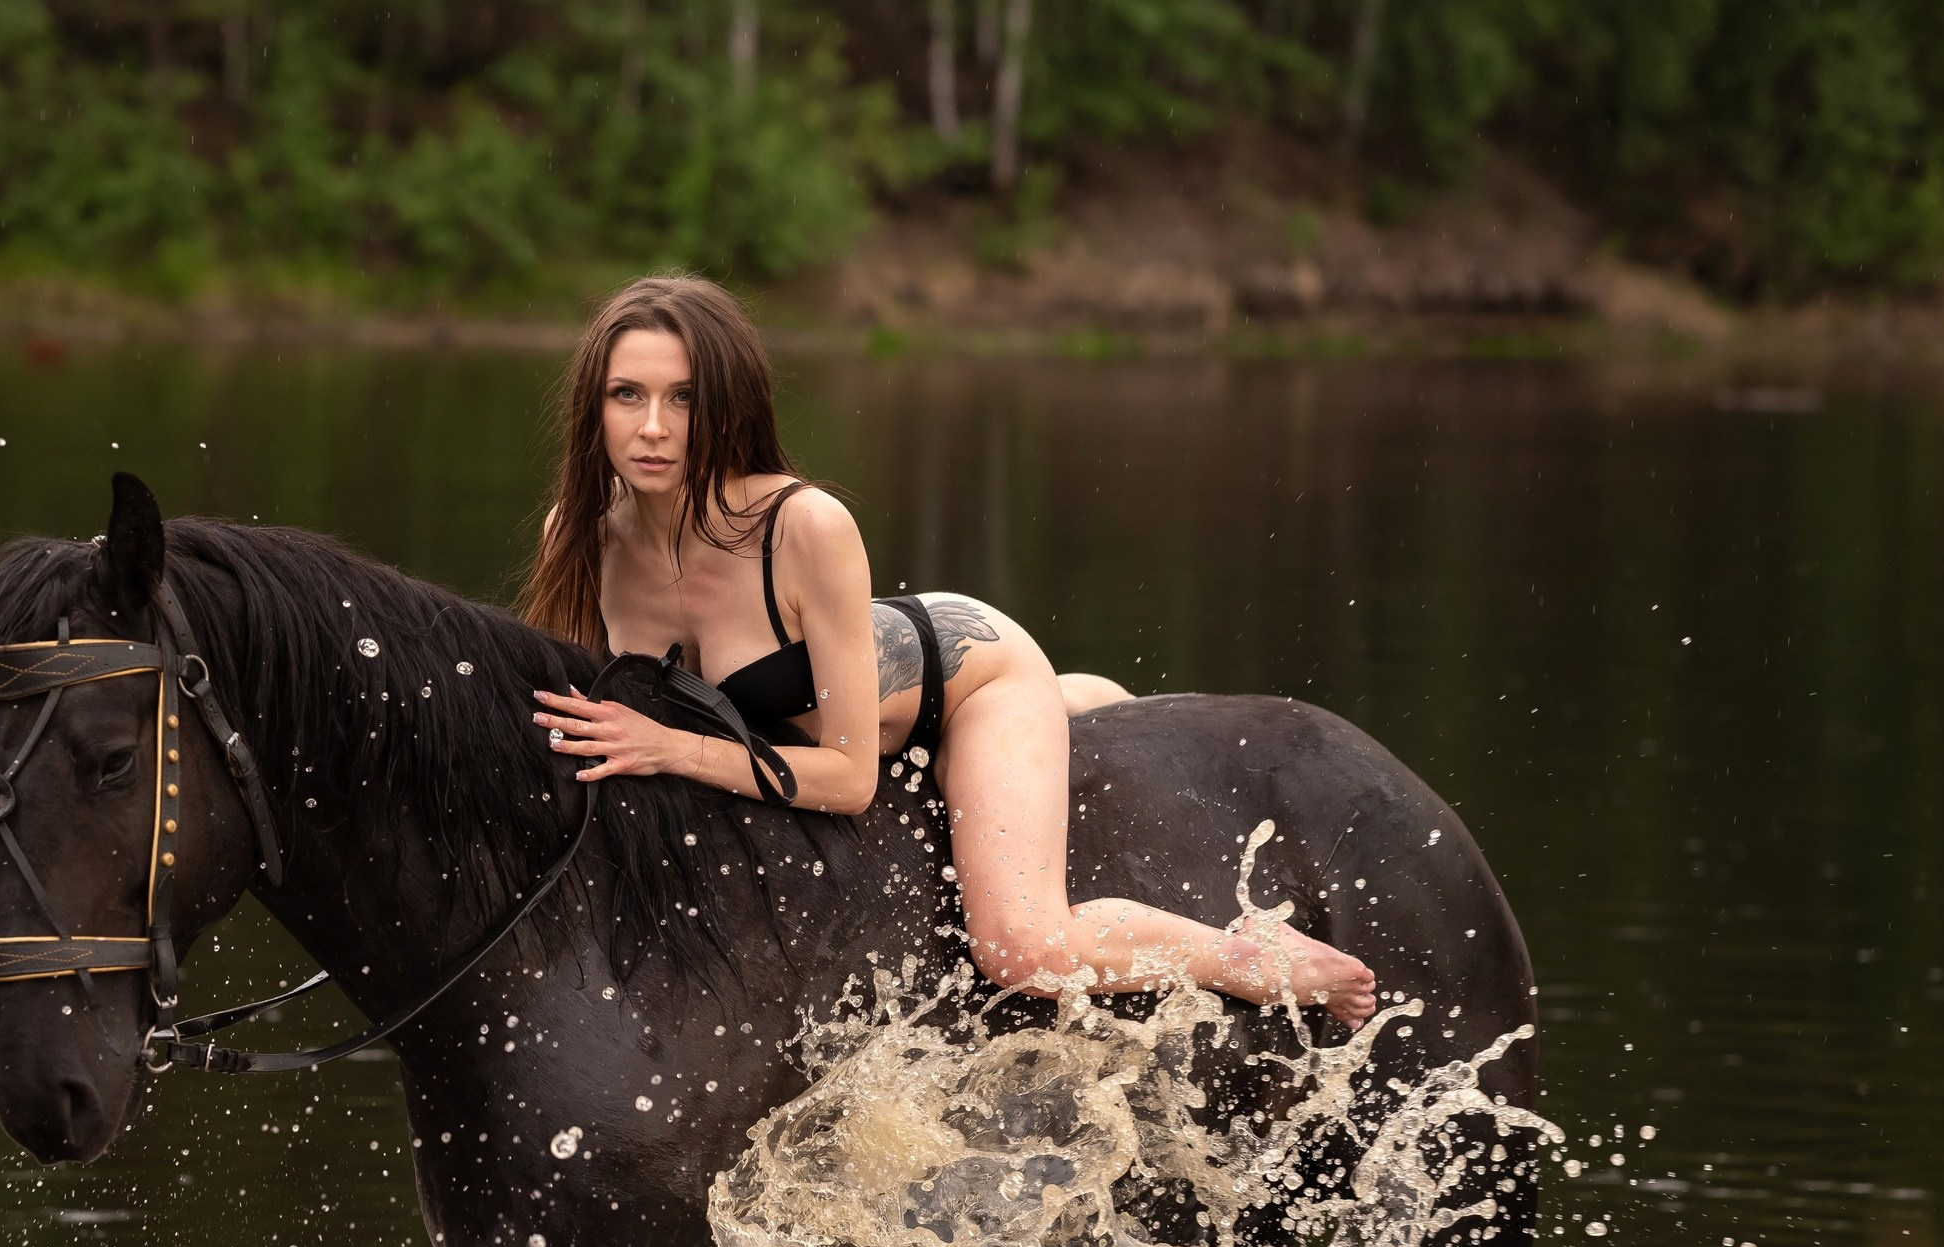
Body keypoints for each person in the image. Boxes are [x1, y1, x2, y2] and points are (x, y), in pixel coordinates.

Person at [522, 276, 1374, 1023]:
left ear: (728, 406)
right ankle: (1082, 698)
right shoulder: (585, 535)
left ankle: (1251, 956)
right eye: (627, 395)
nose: (653, 429)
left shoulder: (802, 525)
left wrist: (672, 748)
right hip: (850, 687)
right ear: (592, 407)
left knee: (1024, 948)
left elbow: (851, 780)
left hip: (968, 679)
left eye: (684, 398)